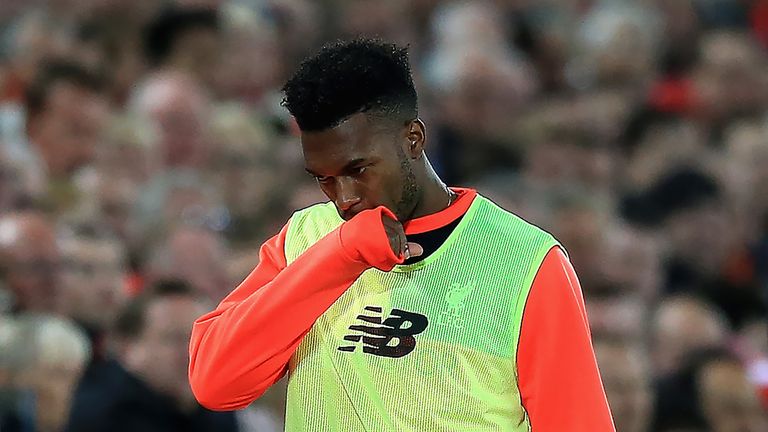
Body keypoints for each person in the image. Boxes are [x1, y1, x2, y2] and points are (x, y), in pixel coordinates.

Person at [188, 38, 614, 431]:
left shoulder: (526, 261)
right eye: (324, 179)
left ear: (413, 139)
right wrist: (341, 255)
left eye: (358, 171)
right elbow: (215, 382)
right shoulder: (306, 236)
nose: (344, 198)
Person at [65, 279, 238, 432]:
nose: (192, 353)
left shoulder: (219, 412)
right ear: (127, 348)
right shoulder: (99, 415)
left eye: (206, 338)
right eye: (174, 339)